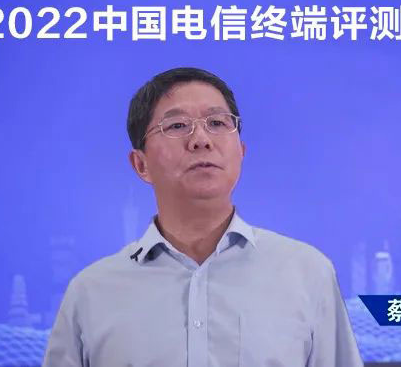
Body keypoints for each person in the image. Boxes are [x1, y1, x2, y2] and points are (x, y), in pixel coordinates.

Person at [43, 67, 364, 366]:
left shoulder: (307, 273)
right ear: (141, 164)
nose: (201, 139)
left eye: (217, 123)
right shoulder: (91, 292)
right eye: (177, 126)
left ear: (241, 152)